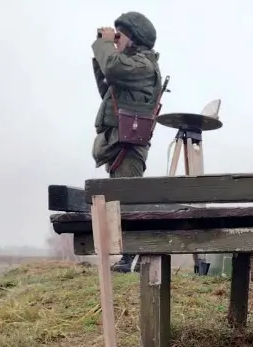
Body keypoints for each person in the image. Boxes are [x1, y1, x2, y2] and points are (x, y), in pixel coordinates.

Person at [91, 11, 162, 273]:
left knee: (128, 200)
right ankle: (128, 257)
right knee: (119, 201)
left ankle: (131, 258)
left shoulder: (143, 65)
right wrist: (103, 51)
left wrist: (105, 45)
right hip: (119, 142)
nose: (116, 40)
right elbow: (108, 90)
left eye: (121, 35)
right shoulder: (129, 67)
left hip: (129, 145)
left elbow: (112, 67)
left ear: (134, 38)